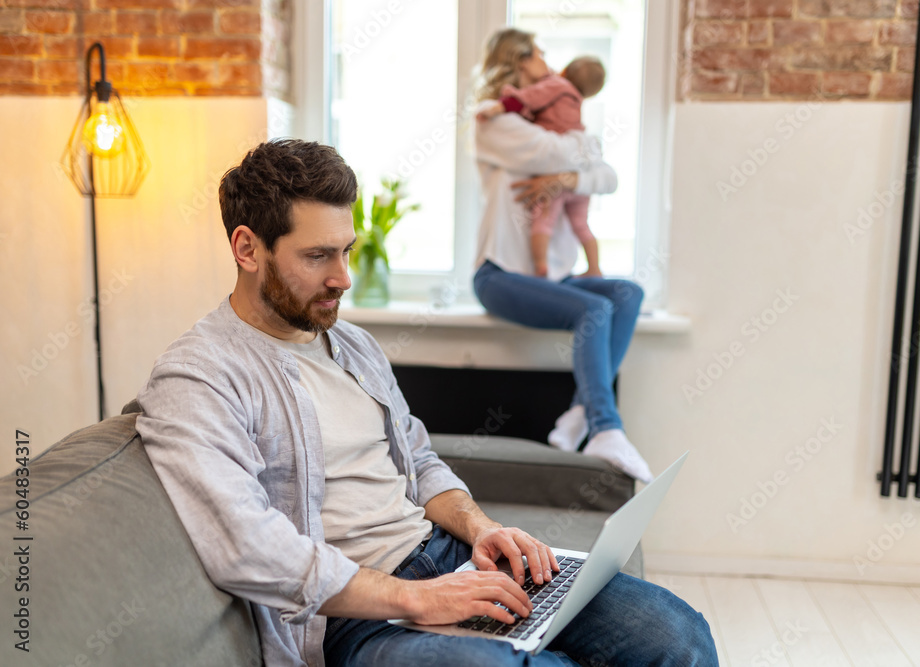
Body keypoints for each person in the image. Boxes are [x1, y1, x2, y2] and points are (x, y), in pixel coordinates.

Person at [136, 139, 717, 666]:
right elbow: (244, 547)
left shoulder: (354, 346)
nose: (343, 278)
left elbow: (418, 459)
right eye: (317, 256)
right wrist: (418, 599)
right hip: (357, 618)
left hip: (451, 557)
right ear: (247, 248)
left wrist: (480, 528)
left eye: (347, 251)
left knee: (678, 635)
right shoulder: (198, 375)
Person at [472, 28, 653, 483]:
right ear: (519, 61)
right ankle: (605, 427)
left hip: (553, 277)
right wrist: (581, 158)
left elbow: (608, 176)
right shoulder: (494, 122)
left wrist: (566, 180)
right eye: (538, 53)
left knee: (627, 294)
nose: (547, 60)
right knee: (594, 309)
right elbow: (561, 151)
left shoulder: (548, 119)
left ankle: (578, 413)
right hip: (500, 275)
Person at [478, 55, 607, 278]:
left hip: (556, 177)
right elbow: (596, 158)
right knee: (581, 224)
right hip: (579, 180)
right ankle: (594, 268)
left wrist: (500, 107)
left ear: (564, 71)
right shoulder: (575, 100)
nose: (545, 61)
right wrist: (580, 171)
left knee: (543, 221)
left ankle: (541, 266)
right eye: (537, 55)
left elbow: (528, 98)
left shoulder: (556, 86)